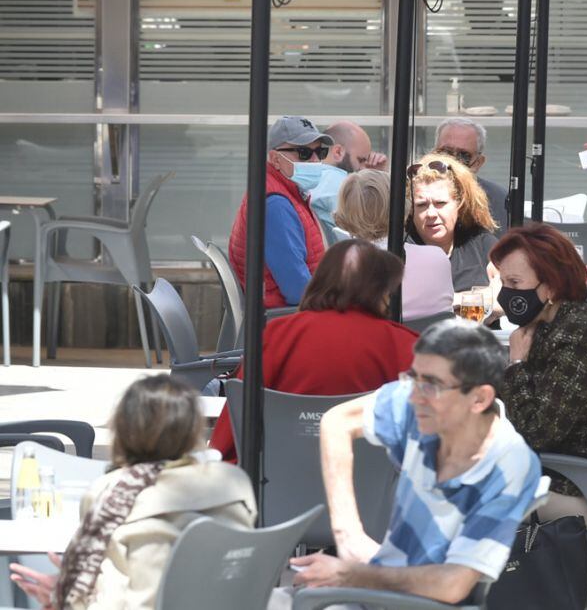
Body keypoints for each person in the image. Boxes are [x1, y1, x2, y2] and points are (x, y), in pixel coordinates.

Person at [283, 320, 541, 606]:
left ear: (480, 398)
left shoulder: (509, 465)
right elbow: (337, 420)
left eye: (431, 386)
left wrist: (353, 573)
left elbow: (452, 585)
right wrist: (348, 534)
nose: (414, 396)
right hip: (375, 590)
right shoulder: (421, 402)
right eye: (413, 378)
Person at [9, 375, 256, 610]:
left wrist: (61, 597)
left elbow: (115, 601)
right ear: (193, 431)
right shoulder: (235, 483)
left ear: (123, 430)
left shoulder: (112, 492)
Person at [209, 240, 417, 462]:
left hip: (277, 481)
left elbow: (239, 416)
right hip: (373, 487)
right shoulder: (405, 345)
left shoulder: (278, 334)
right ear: (379, 291)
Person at [488, 223, 587, 528]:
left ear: (551, 286)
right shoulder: (553, 323)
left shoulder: (577, 333)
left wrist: (515, 365)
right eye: (504, 283)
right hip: (563, 472)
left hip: (580, 488)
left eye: (515, 282)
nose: (507, 294)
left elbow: (536, 432)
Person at [229, 115, 332, 307]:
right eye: (304, 153)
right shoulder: (276, 205)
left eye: (321, 152)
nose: (316, 160)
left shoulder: (283, 192)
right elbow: (298, 291)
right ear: (276, 158)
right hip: (285, 320)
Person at [334, 169, 454, 321]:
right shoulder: (437, 257)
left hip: (378, 342)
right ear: (401, 206)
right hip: (431, 342)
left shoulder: (344, 264)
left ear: (346, 212)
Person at [406, 154, 499, 292]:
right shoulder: (401, 249)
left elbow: (504, 297)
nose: (431, 213)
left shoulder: (481, 243)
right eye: (422, 205)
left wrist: (454, 302)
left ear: (459, 204)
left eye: (440, 203)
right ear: (411, 209)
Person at [291, 120, 390, 242]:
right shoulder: (339, 184)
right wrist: (379, 179)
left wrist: (373, 176)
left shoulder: (307, 179)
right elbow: (373, 228)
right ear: (338, 152)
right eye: (361, 160)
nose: (364, 167)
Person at [433, 117, 509, 231]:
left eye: (463, 155)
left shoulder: (498, 199)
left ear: (478, 163)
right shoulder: (414, 193)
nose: (452, 161)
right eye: (445, 152)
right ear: (434, 153)